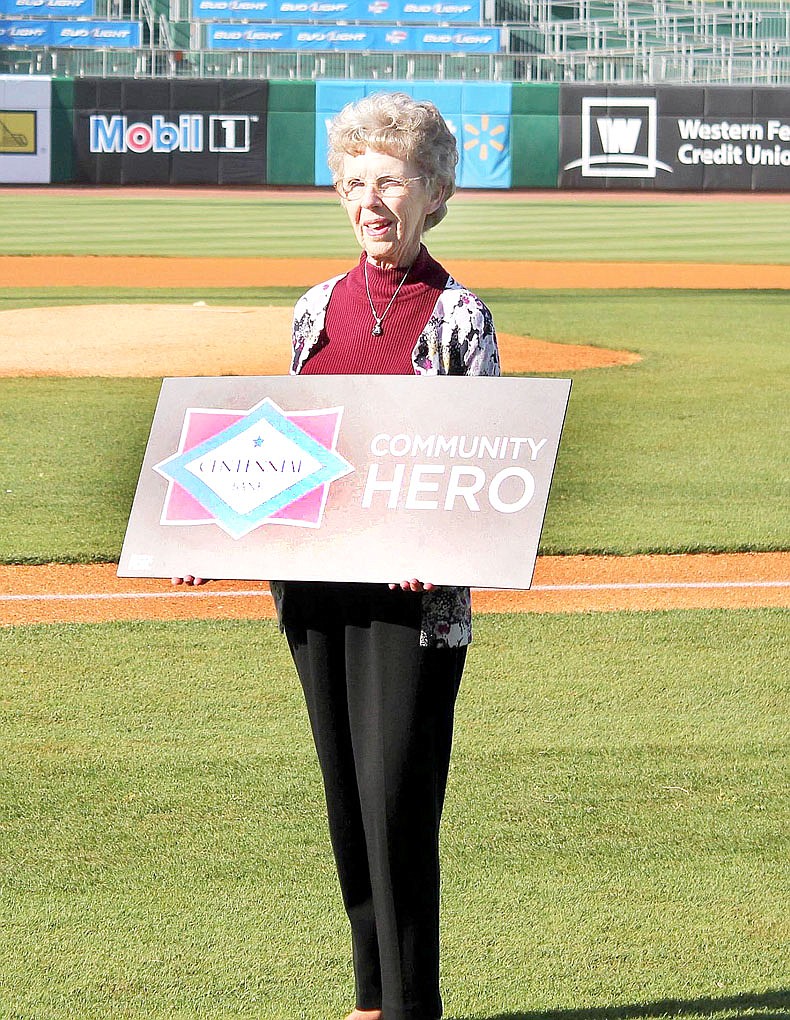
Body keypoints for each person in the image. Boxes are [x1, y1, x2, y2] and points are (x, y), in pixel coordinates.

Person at [175, 91, 500, 1020]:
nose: (369, 199)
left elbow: (482, 471)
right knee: (347, 798)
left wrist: (433, 544)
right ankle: (370, 998)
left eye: (391, 181)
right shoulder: (315, 309)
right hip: (315, 584)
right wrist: (209, 525)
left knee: (396, 794)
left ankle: (413, 1006)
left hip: (412, 600)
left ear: (434, 193)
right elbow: (290, 450)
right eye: (354, 181)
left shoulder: (459, 318)